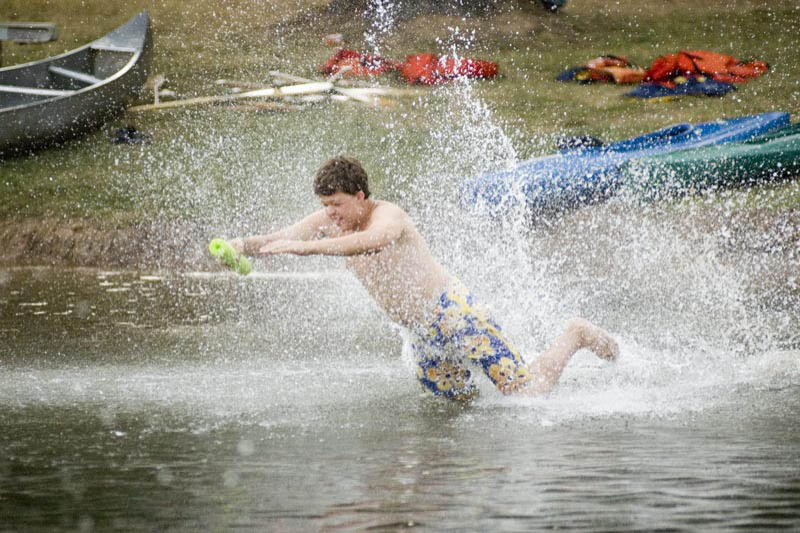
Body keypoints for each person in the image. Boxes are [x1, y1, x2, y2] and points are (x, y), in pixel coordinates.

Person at [230, 156, 618, 400]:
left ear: (360, 195)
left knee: (525, 394)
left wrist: (309, 250)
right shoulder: (330, 224)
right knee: (458, 408)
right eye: (325, 206)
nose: (330, 213)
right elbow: (281, 239)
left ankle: (574, 335)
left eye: (337, 204)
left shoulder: (388, 215)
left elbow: (370, 242)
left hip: (453, 314)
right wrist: (240, 246)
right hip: (417, 333)